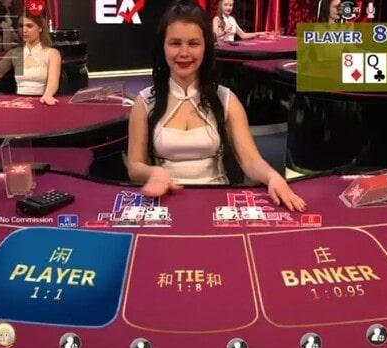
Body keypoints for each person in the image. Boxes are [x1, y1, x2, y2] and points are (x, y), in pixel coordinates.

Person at [127, 1, 306, 212]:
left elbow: (250, 160)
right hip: (165, 203)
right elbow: (134, 166)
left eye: (193, 43)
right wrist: (152, 173)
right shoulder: (144, 102)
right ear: (163, 47)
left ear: (206, 47)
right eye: (175, 43)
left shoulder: (226, 99)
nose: (184, 52)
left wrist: (272, 176)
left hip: (216, 201)